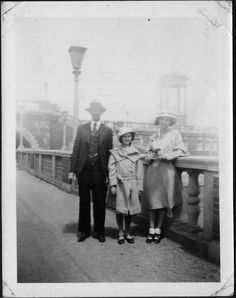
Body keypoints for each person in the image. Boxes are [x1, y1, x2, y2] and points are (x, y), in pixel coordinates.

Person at [68, 101, 113, 243]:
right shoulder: (82, 129)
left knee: (100, 201)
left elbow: (109, 153)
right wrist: (72, 170)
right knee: (84, 201)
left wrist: (109, 174)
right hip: (84, 170)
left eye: (97, 110)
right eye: (93, 110)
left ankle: (99, 231)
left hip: (100, 171)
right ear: (90, 112)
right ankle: (83, 230)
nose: (95, 112)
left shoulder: (108, 131)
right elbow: (76, 150)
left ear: (101, 112)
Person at [144, 112, 187, 244]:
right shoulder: (153, 136)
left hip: (166, 169)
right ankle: (151, 229)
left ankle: (158, 230)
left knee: (163, 201)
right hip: (153, 170)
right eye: (162, 119)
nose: (164, 122)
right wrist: (151, 156)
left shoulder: (175, 134)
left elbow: (181, 150)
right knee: (152, 201)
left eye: (167, 120)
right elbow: (146, 154)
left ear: (170, 122)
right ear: (158, 121)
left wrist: (167, 156)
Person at [108, 127, 143, 245]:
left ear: (131, 138)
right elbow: (111, 170)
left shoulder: (136, 153)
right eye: (124, 136)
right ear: (121, 139)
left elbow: (140, 172)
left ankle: (128, 232)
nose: (127, 138)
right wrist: (113, 185)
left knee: (129, 210)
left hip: (132, 183)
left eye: (129, 136)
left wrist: (139, 187)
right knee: (120, 210)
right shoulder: (115, 153)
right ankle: (120, 232)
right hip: (120, 184)